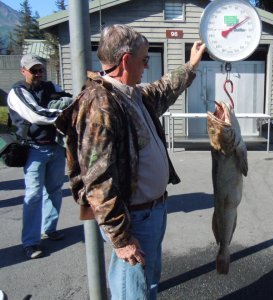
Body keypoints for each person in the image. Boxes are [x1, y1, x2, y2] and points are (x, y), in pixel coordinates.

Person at [56, 24, 206, 299]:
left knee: (145, 285)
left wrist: (191, 64)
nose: (147, 66)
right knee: (131, 291)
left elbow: (163, 89)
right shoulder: (101, 105)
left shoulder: (131, 94)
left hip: (151, 211)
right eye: (145, 59)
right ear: (126, 60)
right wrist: (122, 238)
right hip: (132, 219)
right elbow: (97, 180)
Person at [7, 54, 73, 259]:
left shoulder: (51, 86)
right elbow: (35, 114)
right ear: (23, 71)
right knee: (33, 196)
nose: (38, 74)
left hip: (55, 147)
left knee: (54, 191)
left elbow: (70, 100)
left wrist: (64, 105)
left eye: (40, 70)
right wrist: (59, 112)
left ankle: (49, 228)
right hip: (33, 149)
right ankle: (31, 242)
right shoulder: (17, 92)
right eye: (33, 70)